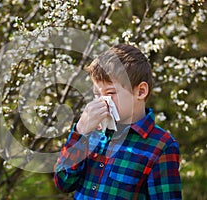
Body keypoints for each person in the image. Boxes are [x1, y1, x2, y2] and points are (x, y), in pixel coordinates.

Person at [54, 44, 181, 199]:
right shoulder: (92, 133)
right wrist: (80, 131)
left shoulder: (162, 146)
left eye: (110, 93)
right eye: (97, 94)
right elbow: (63, 182)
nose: (102, 101)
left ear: (140, 92)